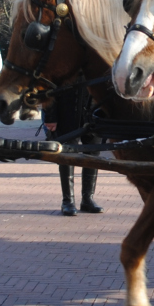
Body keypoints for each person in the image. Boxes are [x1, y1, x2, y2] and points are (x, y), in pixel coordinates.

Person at [43, 85, 104, 216]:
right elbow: (49, 86)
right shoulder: (60, 63)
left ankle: (88, 199)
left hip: (93, 112)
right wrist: (50, 116)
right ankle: (68, 200)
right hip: (66, 110)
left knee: (93, 153)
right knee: (67, 155)